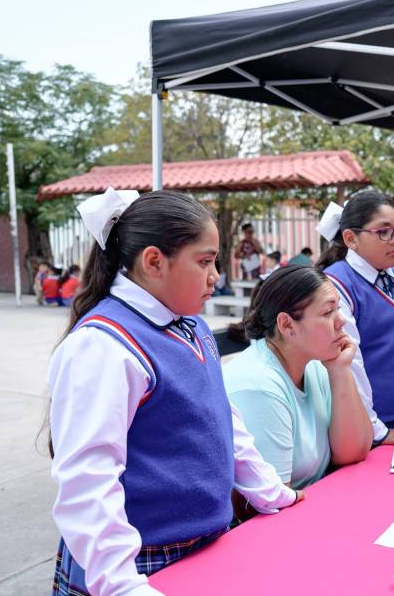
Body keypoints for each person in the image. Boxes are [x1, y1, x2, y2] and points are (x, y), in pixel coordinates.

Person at [47, 189, 302, 596]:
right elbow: (88, 478)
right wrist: (121, 585)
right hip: (136, 563)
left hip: (205, 544)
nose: (215, 275)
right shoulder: (104, 345)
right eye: (204, 262)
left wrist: (272, 493)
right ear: (153, 262)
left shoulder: (193, 326)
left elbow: (223, 420)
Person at [224, 265, 372, 490]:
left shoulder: (314, 364)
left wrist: (340, 370)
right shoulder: (259, 386)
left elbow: (354, 451)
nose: (341, 321)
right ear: (286, 325)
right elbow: (273, 501)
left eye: (338, 309)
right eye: (327, 312)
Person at [316, 191, 394, 447]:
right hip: (369, 430)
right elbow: (351, 363)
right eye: (384, 232)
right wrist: (377, 430)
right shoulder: (337, 285)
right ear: (351, 239)